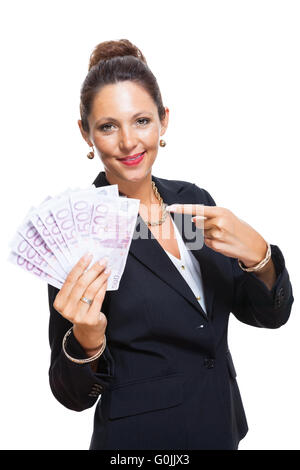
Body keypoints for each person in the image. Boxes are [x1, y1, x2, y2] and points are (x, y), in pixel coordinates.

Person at [47, 39, 294, 450]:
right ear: (86, 133)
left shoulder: (192, 200)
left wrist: (260, 256)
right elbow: (69, 393)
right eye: (108, 126)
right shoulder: (79, 230)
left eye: (141, 120)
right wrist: (87, 341)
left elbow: (270, 316)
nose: (129, 142)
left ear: (163, 121)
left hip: (221, 428)